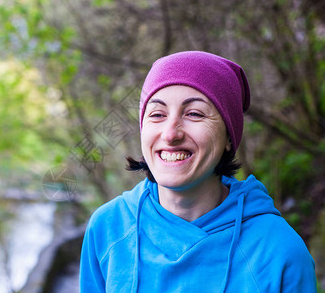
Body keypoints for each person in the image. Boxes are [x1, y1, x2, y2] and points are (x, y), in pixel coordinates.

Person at [79, 51, 317, 292]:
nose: (171, 134)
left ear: (228, 137)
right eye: (157, 114)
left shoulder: (278, 251)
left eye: (194, 113)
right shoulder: (108, 227)